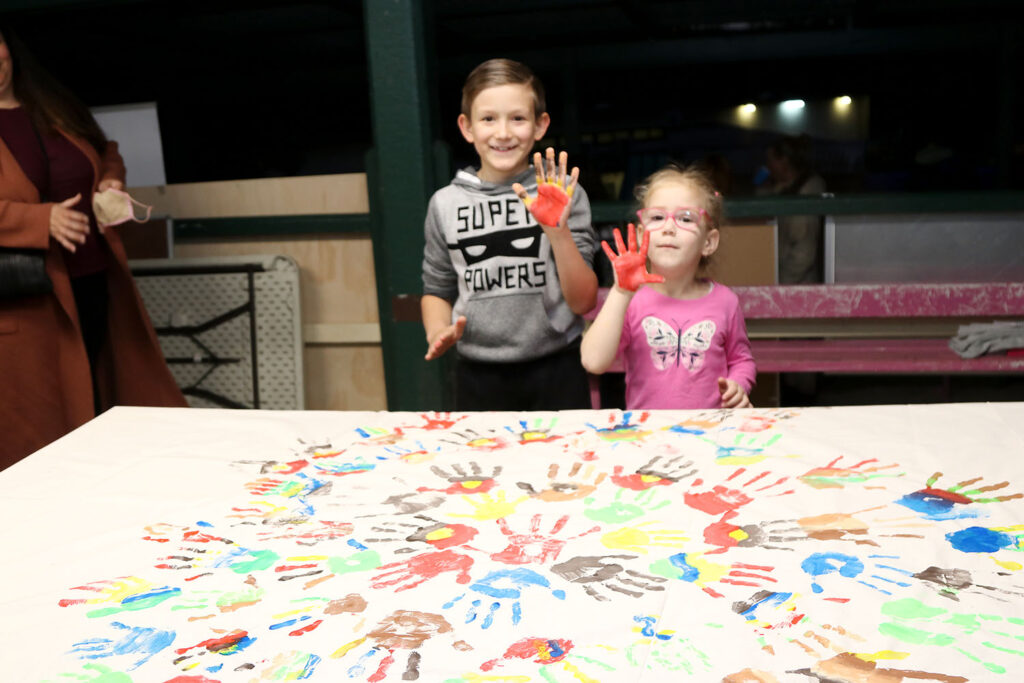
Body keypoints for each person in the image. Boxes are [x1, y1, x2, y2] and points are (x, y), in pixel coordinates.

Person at [0, 27, 185, 468]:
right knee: (40, 428)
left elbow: (105, 150)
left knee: (100, 403)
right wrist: (38, 220)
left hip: (91, 281)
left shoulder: (50, 105)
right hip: (25, 301)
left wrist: (110, 180)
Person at [420, 58, 598, 411]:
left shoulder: (563, 193)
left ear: (539, 125)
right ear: (467, 127)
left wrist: (558, 232)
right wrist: (437, 329)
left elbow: (584, 302)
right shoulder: (444, 203)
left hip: (558, 367)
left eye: (517, 118)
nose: (503, 132)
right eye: (488, 119)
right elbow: (436, 289)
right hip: (477, 375)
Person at [581, 164, 755, 409]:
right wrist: (621, 292)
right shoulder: (631, 301)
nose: (669, 228)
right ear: (642, 235)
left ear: (709, 241)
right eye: (657, 217)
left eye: (685, 218)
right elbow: (593, 361)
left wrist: (738, 385)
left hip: (710, 433)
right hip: (649, 435)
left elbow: (742, 360)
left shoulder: (725, 301)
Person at [759, 134, 827, 284]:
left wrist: (779, 283)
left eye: (771, 161)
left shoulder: (804, 195)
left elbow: (804, 253)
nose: (767, 167)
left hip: (798, 284)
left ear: (785, 161)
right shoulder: (782, 189)